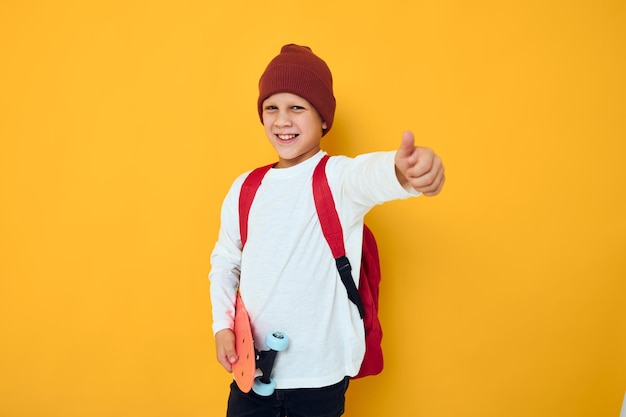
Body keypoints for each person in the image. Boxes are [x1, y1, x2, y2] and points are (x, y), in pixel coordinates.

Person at [209, 44, 445, 417]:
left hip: (319, 381)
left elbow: (373, 174)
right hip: (250, 376)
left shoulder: (337, 179)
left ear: (323, 118)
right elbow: (225, 262)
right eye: (272, 107)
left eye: (297, 107)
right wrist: (222, 326)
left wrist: (407, 170)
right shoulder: (245, 188)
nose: (282, 120)